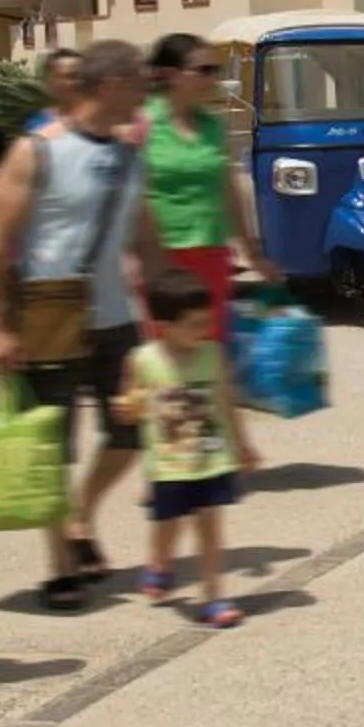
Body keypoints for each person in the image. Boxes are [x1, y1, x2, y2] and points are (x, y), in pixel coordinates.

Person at [0, 39, 161, 613]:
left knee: (133, 431)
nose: (145, 94)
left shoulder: (131, 156)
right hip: (48, 316)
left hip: (116, 318)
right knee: (52, 447)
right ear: (108, 85)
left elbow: (147, 242)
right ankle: (60, 566)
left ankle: (80, 512)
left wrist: (175, 312)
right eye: (137, 82)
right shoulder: (39, 151)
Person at [113, 268, 252, 629]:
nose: (202, 331)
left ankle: (213, 597)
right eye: (193, 324)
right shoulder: (143, 360)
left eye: (206, 322)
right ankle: (159, 563)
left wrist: (242, 445)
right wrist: (128, 407)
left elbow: (226, 402)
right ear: (164, 325)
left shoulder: (212, 356)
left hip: (211, 459)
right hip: (169, 464)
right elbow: (130, 404)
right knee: (168, 524)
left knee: (209, 529)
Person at [143, 34, 276, 341]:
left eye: (215, 70)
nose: (212, 78)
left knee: (210, 356)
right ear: (173, 75)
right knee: (163, 362)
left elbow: (229, 190)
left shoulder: (213, 125)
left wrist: (252, 251)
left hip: (212, 256)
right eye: (203, 70)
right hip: (161, 261)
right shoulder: (143, 124)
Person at [26, 49, 83, 134]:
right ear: (50, 80)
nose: (73, 82)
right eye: (66, 76)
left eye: (78, 76)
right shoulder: (37, 125)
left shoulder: (101, 121)